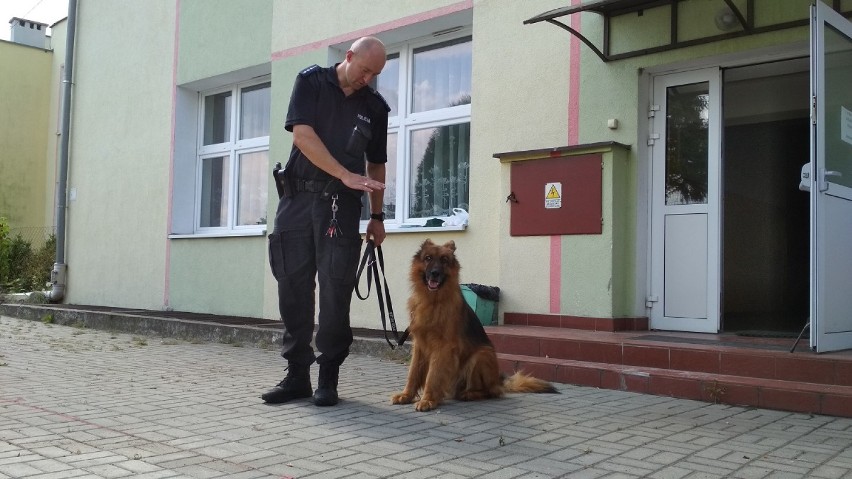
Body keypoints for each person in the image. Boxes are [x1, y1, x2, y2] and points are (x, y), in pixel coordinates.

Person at [262, 36, 390, 407]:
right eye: (365, 69)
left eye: (375, 74)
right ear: (348, 57)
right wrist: (343, 173)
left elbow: (376, 164)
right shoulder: (312, 82)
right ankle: (296, 376)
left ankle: (328, 378)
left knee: (336, 292)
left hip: (340, 207)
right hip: (297, 199)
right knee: (293, 287)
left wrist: (377, 215)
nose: (368, 78)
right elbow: (303, 137)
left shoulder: (376, 107)